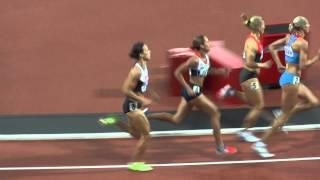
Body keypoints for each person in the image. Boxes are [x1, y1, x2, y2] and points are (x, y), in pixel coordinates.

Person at [147, 35, 237, 154]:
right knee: (215, 112)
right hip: (193, 92)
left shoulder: (206, 57)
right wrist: (187, 88)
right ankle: (220, 148)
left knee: (176, 119)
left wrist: (219, 72)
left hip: (193, 92)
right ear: (201, 46)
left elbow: (205, 71)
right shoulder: (194, 60)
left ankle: (148, 116)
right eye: (207, 42)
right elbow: (177, 72)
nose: (209, 44)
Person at [252, 16, 320, 158]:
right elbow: (303, 66)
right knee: (284, 116)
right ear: (301, 27)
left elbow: (271, 47)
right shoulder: (302, 43)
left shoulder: (289, 38)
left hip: (289, 78)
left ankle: (283, 112)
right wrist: (317, 58)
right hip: (291, 81)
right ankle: (260, 143)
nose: (309, 27)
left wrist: (279, 64)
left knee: (314, 102)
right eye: (307, 25)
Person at [99, 42, 154, 171]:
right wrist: (142, 99)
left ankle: (114, 120)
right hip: (132, 107)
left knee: (135, 134)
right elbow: (125, 89)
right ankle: (136, 163)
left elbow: (140, 85)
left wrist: (150, 93)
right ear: (141, 54)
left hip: (136, 106)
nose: (150, 51)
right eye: (147, 50)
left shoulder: (144, 65)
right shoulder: (136, 71)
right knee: (146, 135)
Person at [217, 13, 273, 142]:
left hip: (250, 76)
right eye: (263, 24)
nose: (265, 25)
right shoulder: (252, 43)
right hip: (249, 76)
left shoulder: (256, 35)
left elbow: (249, 25)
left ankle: (231, 91)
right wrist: (262, 64)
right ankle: (244, 131)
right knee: (258, 105)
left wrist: (246, 21)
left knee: (251, 101)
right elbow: (248, 62)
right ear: (258, 27)